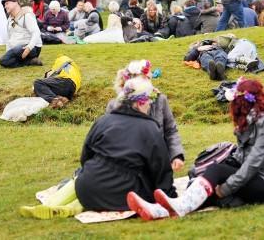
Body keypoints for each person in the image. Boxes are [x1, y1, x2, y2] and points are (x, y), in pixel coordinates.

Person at [131, 77, 264, 220]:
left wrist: (225, 188)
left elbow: (253, 164)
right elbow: (243, 157)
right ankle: (160, 210)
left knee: (217, 173)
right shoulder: (256, 118)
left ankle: (174, 206)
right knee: (204, 186)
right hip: (257, 175)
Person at [20, 77, 176, 219]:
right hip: (124, 193)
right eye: (148, 101)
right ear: (140, 102)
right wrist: (171, 196)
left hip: (86, 189)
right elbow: (161, 168)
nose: (150, 104)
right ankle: (69, 209)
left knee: (91, 184)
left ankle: (60, 207)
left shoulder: (104, 120)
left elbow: (85, 156)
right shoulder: (150, 127)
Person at [0, 0, 42, 68]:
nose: (5, 6)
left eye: (7, 4)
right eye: (4, 5)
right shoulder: (9, 19)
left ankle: (29, 59)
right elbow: (9, 37)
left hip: (31, 48)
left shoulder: (27, 15)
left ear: (16, 3)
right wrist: (8, 52)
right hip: (18, 48)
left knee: (5, 60)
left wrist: (29, 48)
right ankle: (30, 61)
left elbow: (36, 32)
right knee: (4, 59)